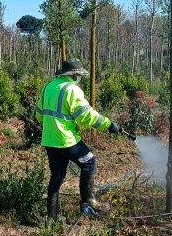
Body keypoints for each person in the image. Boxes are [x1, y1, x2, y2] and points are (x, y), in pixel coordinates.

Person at [35, 59, 120, 221]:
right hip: (67, 140)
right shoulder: (72, 90)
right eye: (78, 75)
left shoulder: (48, 87)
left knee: (57, 176)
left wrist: (52, 127)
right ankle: (88, 201)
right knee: (89, 162)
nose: (79, 78)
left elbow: (39, 115)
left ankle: (52, 218)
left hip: (49, 140)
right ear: (74, 75)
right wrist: (108, 124)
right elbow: (85, 116)